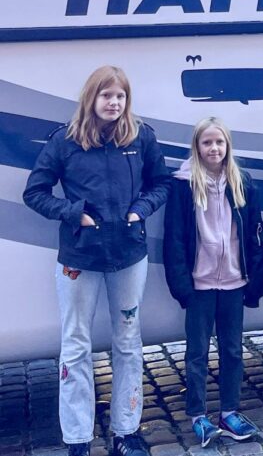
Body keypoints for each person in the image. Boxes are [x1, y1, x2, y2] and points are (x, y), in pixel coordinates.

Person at [23, 66, 171, 456]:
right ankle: (77, 439)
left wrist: (141, 209)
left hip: (127, 255)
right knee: (75, 346)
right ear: (92, 98)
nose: (114, 103)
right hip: (79, 258)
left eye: (120, 96)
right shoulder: (65, 141)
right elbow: (35, 192)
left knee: (128, 342)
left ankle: (126, 431)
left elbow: (162, 184)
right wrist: (74, 213)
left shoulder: (142, 136)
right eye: (107, 95)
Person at [163, 117, 263, 447]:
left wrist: (255, 282)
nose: (214, 148)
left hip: (235, 283)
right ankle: (198, 415)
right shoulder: (183, 184)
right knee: (197, 353)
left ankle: (229, 412)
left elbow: (255, 234)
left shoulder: (242, 182)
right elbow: (174, 239)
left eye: (219, 142)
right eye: (207, 142)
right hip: (199, 285)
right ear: (197, 147)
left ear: (228, 146)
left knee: (232, 351)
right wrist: (181, 286)